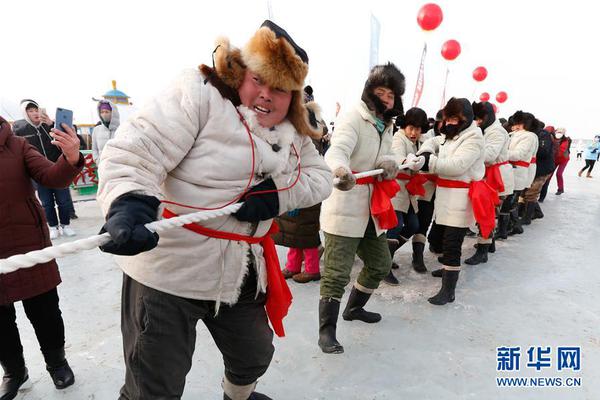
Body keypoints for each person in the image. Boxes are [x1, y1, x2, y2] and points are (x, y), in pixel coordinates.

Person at [96, 21, 332, 400]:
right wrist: (129, 200)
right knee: (154, 384)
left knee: (254, 354)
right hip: (170, 270)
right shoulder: (200, 92)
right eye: (259, 80)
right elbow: (139, 149)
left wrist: (277, 196)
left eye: (280, 89)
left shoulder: (295, 129)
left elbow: (319, 178)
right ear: (242, 71)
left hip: (240, 269)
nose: (267, 96)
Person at [318, 63, 404, 354]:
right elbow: (337, 150)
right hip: (345, 204)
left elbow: (387, 154)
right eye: (380, 92)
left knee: (380, 264)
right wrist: (341, 170)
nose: (385, 99)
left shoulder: (386, 124)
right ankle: (326, 332)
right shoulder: (353, 117)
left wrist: (389, 163)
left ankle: (354, 308)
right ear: (369, 92)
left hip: (372, 208)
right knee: (336, 274)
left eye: (390, 95)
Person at [0, 116, 83, 399]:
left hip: (28, 244)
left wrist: (70, 157)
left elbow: (52, 177)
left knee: (45, 313)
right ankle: (14, 370)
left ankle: (57, 363)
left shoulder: (18, 145)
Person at [416, 98, 487, 305]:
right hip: (445, 196)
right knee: (443, 240)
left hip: (461, 197)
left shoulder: (473, 137)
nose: (451, 122)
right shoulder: (450, 135)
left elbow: (458, 165)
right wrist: (426, 151)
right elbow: (433, 140)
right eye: (449, 118)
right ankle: (448, 267)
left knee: (452, 242)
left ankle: (449, 290)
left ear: (466, 118)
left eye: (456, 118)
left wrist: (429, 162)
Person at [274, 87, 329, 283]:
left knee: (307, 235)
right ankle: (292, 266)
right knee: (294, 235)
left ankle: (312, 269)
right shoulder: (292, 132)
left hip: (309, 189)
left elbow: (314, 165)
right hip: (295, 187)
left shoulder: (311, 136)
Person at [13, 100, 77, 238]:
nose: (34, 113)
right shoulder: (20, 130)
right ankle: (53, 227)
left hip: (58, 168)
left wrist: (51, 125)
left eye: (36, 110)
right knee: (47, 203)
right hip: (38, 173)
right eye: (30, 111)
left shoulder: (50, 126)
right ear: (25, 113)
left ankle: (65, 225)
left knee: (64, 201)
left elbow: (68, 137)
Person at [464, 101, 512, 265]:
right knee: (488, 212)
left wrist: (467, 155)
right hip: (490, 176)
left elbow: (490, 155)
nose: (477, 121)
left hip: (496, 177)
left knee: (487, 215)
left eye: (479, 118)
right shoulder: (488, 130)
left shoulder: (496, 132)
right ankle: (488, 244)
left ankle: (482, 251)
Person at [384, 107, 428, 285]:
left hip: (409, 191)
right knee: (395, 225)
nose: (413, 132)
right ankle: (383, 266)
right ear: (404, 126)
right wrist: (407, 161)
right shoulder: (398, 138)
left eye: (417, 129)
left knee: (413, 225)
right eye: (411, 128)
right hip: (396, 188)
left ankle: (386, 256)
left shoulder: (421, 141)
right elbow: (397, 156)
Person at [505, 111, 538, 235]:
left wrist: (501, 154)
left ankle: (511, 226)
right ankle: (513, 226)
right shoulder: (513, 134)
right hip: (511, 169)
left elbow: (519, 154)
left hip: (518, 171)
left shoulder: (528, 136)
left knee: (511, 200)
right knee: (510, 200)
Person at [521, 119, 554, 225]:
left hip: (543, 169)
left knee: (531, 192)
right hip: (533, 168)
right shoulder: (530, 134)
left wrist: (529, 147)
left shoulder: (543, 134)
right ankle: (537, 212)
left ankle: (527, 219)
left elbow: (544, 151)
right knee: (526, 191)